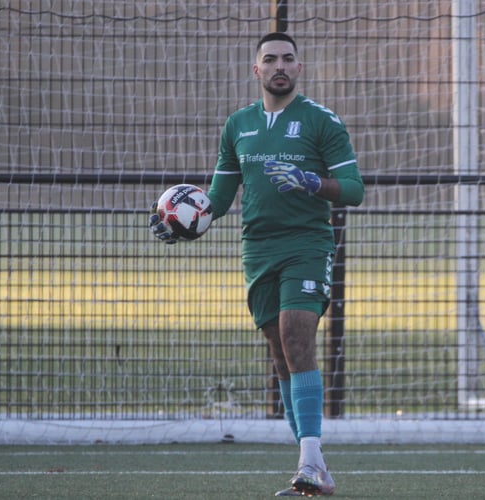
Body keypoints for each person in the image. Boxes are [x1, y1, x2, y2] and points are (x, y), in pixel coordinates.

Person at [152, 32, 364, 496]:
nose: (279, 66)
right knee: (281, 353)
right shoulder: (238, 126)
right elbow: (220, 199)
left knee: (295, 334)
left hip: (307, 244)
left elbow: (354, 188)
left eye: (288, 58)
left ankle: (310, 461)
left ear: (299, 68)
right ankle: (316, 467)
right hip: (258, 249)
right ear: (257, 71)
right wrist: (185, 220)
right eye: (270, 59)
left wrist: (312, 182)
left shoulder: (321, 122)